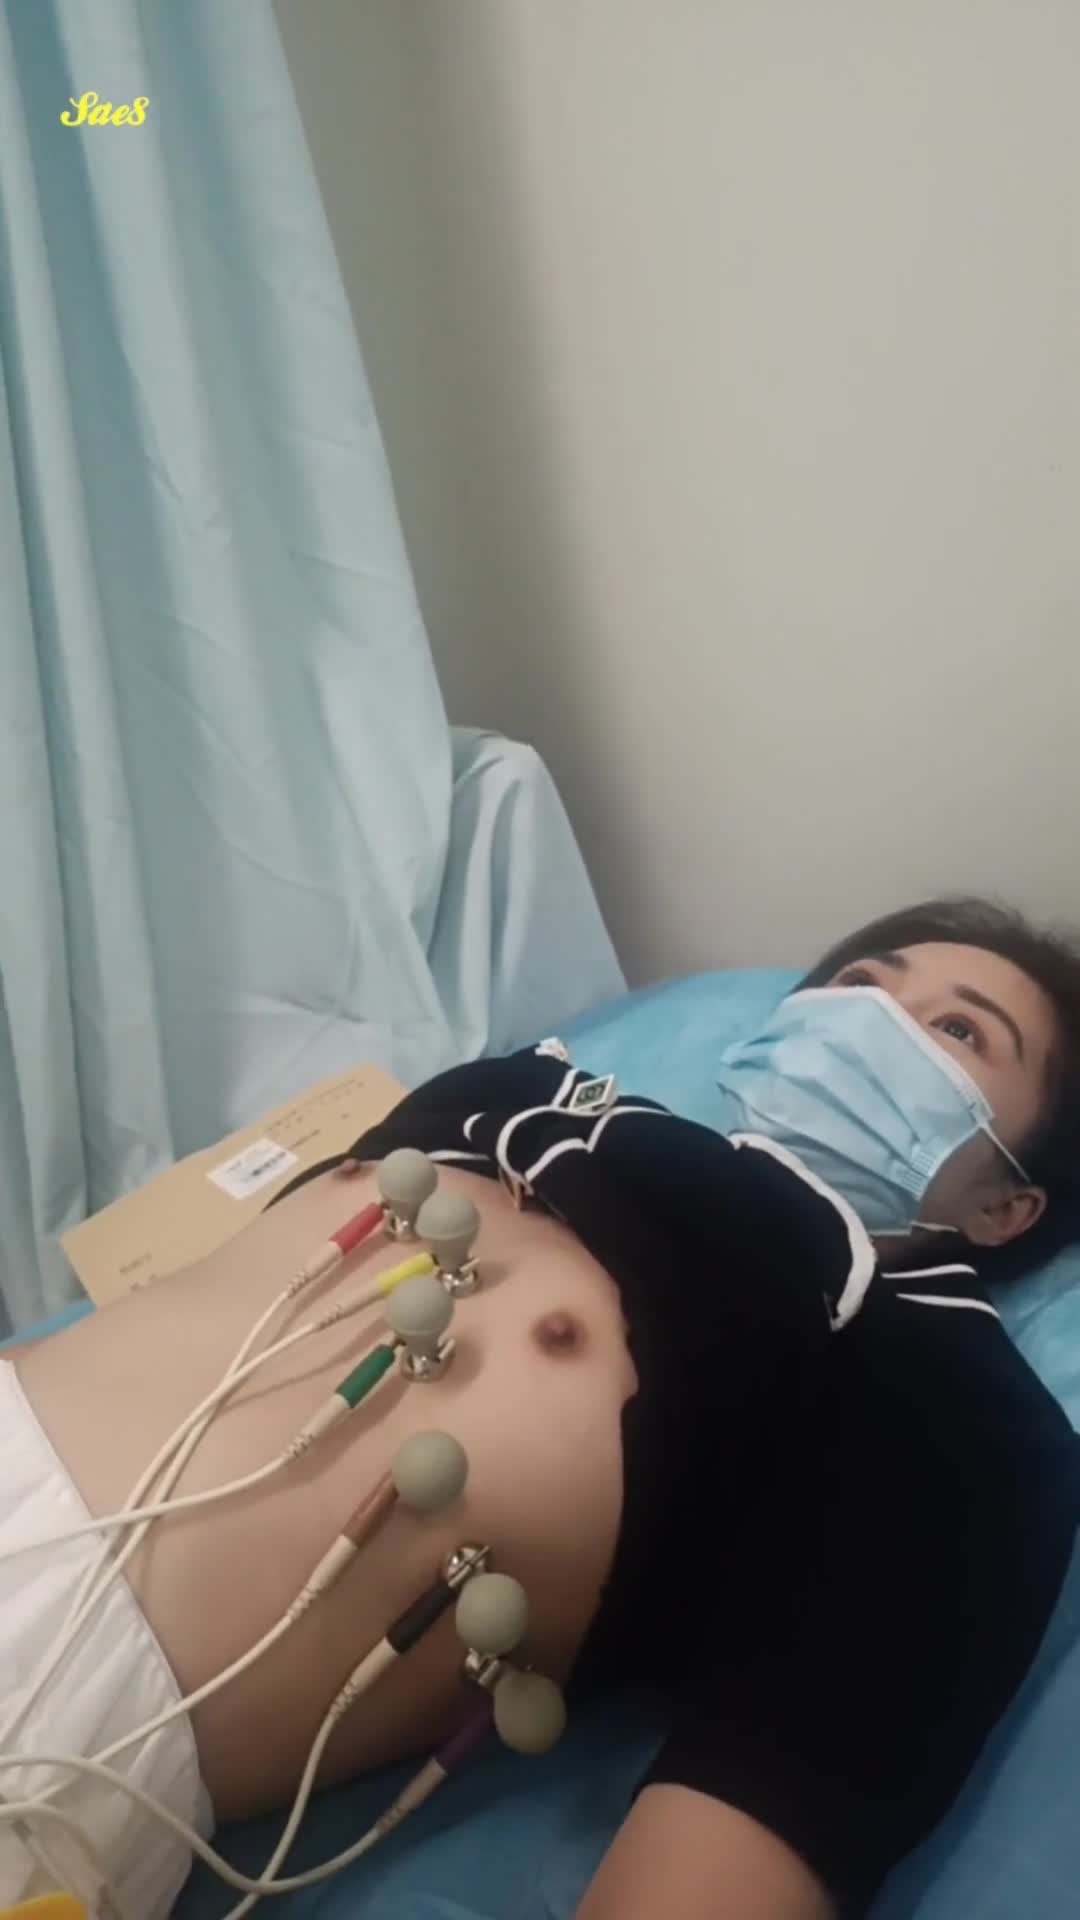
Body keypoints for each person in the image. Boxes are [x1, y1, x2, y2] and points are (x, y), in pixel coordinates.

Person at [3, 896, 1079, 1920]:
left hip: (60, 1710)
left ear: (1008, 1205)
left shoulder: (954, 1407)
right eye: (858, 982)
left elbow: (749, 1835)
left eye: (958, 1030)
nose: (867, 1019)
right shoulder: (525, 1090)